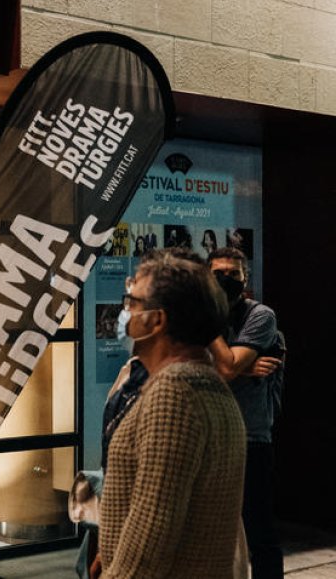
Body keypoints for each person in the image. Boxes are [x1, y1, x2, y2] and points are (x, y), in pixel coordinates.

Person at [98, 251, 246, 578]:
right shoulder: (205, 386)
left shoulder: (174, 395)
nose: (125, 312)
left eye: (133, 303)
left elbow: (150, 539)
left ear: (158, 320)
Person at [208, 246, 284, 579]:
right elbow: (183, 363)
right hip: (211, 434)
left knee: (259, 532)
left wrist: (235, 364)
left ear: (245, 278)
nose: (226, 280)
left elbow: (225, 370)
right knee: (211, 530)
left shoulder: (260, 315)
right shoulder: (203, 314)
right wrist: (245, 365)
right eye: (218, 274)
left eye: (233, 274)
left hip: (250, 435)